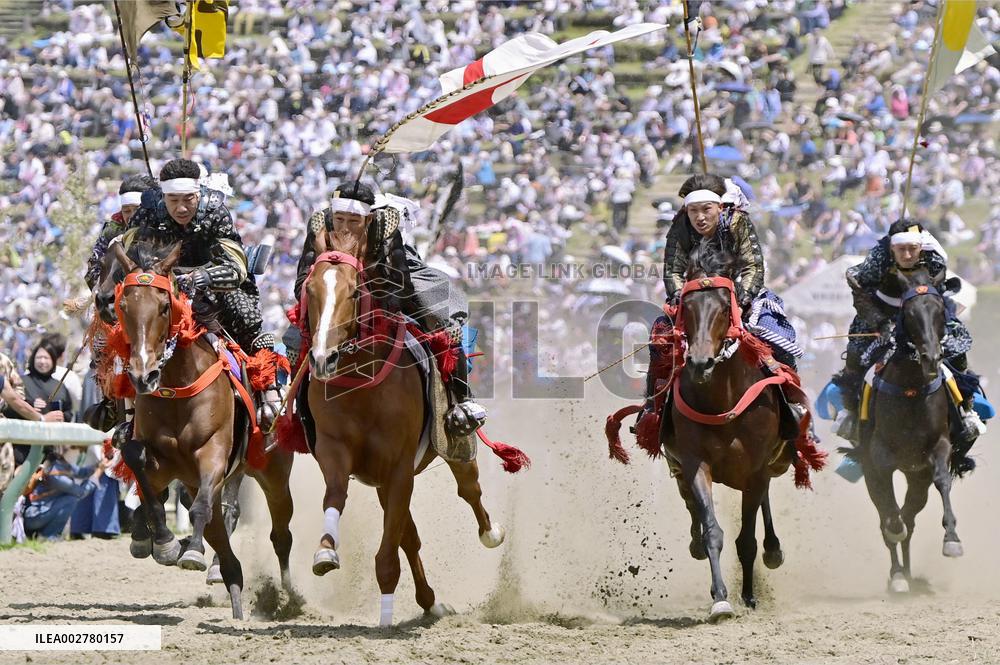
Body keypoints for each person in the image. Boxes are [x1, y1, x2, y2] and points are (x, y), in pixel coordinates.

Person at [284, 182, 487, 438]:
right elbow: (303, 276)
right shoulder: (319, 226)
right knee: (292, 340)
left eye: (354, 220)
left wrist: (371, 297)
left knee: (444, 322)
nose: (345, 226)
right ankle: (291, 408)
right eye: (340, 219)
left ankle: (461, 399)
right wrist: (315, 294)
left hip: (382, 283)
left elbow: (400, 280)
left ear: (368, 219)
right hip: (332, 291)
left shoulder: (385, 226)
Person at [120, 158, 283, 429]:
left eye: (188, 199)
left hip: (213, 288)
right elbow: (132, 254)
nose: (181, 208)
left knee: (245, 314)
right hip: (161, 285)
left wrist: (200, 278)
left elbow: (236, 266)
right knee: (124, 322)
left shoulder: (215, 211)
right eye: (173, 200)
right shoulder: (148, 211)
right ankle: (119, 407)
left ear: (199, 194)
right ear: (163, 196)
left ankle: (267, 390)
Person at [640, 173, 808, 429]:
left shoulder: (737, 222)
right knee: (659, 338)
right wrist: (679, 296)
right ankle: (653, 408)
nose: (700, 217)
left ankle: (793, 404)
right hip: (693, 299)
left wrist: (740, 299)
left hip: (741, 297)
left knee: (778, 335)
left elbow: (753, 265)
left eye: (706, 209)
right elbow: (673, 268)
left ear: (719, 207)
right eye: (693, 210)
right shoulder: (680, 225)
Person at [831, 220, 984, 446]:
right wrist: (880, 322)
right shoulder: (878, 260)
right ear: (892, 247)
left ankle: (967, 410)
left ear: (921, 247)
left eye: (912, 248)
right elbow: (859, 288)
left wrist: (929, 318)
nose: (907, 254)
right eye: (901, 249)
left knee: (956, 347)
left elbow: (938, 292)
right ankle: (851, 415)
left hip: (925, 315)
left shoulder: (934, 259)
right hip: (882, 314)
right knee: (856, 353)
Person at [84, 174, 160, 291]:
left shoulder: (161, 228)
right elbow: (94, 267)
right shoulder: (112, 229)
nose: (132, 216)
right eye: (126, 211)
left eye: (137, 209)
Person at [22, 446, 107, 540]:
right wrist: (98, 472)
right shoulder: (54, 472)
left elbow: (81, 472)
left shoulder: (59, 462)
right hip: (34, 517)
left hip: (41, 514)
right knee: (71, 499)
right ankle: (48, 536)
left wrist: (99, 464)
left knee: (69, 499)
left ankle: (48, 534)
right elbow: (81, 492)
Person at [18, 339, 73, 423]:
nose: (42, 361)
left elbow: (69, 411)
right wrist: (29, 406)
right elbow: (10, 406)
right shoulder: (21, 381)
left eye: (46, 358)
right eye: (39, 357)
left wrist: (63, 416)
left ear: (53, 361)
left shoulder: (60, 385)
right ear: (33, 359)